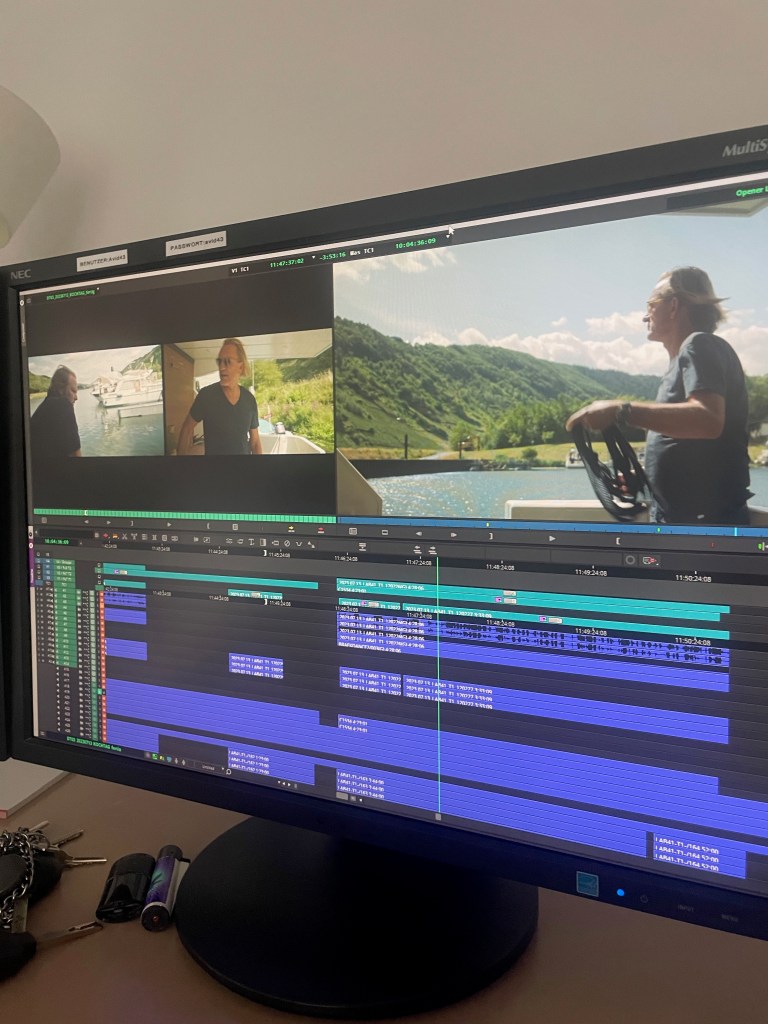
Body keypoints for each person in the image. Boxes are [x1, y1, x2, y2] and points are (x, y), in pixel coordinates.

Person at [566, 267, 751, 524]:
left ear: (673, 306)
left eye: (651, 305)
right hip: (684, 520)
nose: (645, 316)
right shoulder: (684, 359)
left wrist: (620, 411)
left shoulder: (699, 344)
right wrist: (646, 477)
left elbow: (708, 420)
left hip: (702, 525)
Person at [177, 338, 263, 455]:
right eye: (220, 362)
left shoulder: (249, 400)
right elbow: (187, 429)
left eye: (227, 362)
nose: (221, 367)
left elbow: (255, 441)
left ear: (240, 367)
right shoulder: (206, 396)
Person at [30, 365, 82, 457]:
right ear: (61, 388)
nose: (76, 397)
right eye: (73, 391)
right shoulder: (63, 405)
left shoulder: (43, 408)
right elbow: (76, 456)